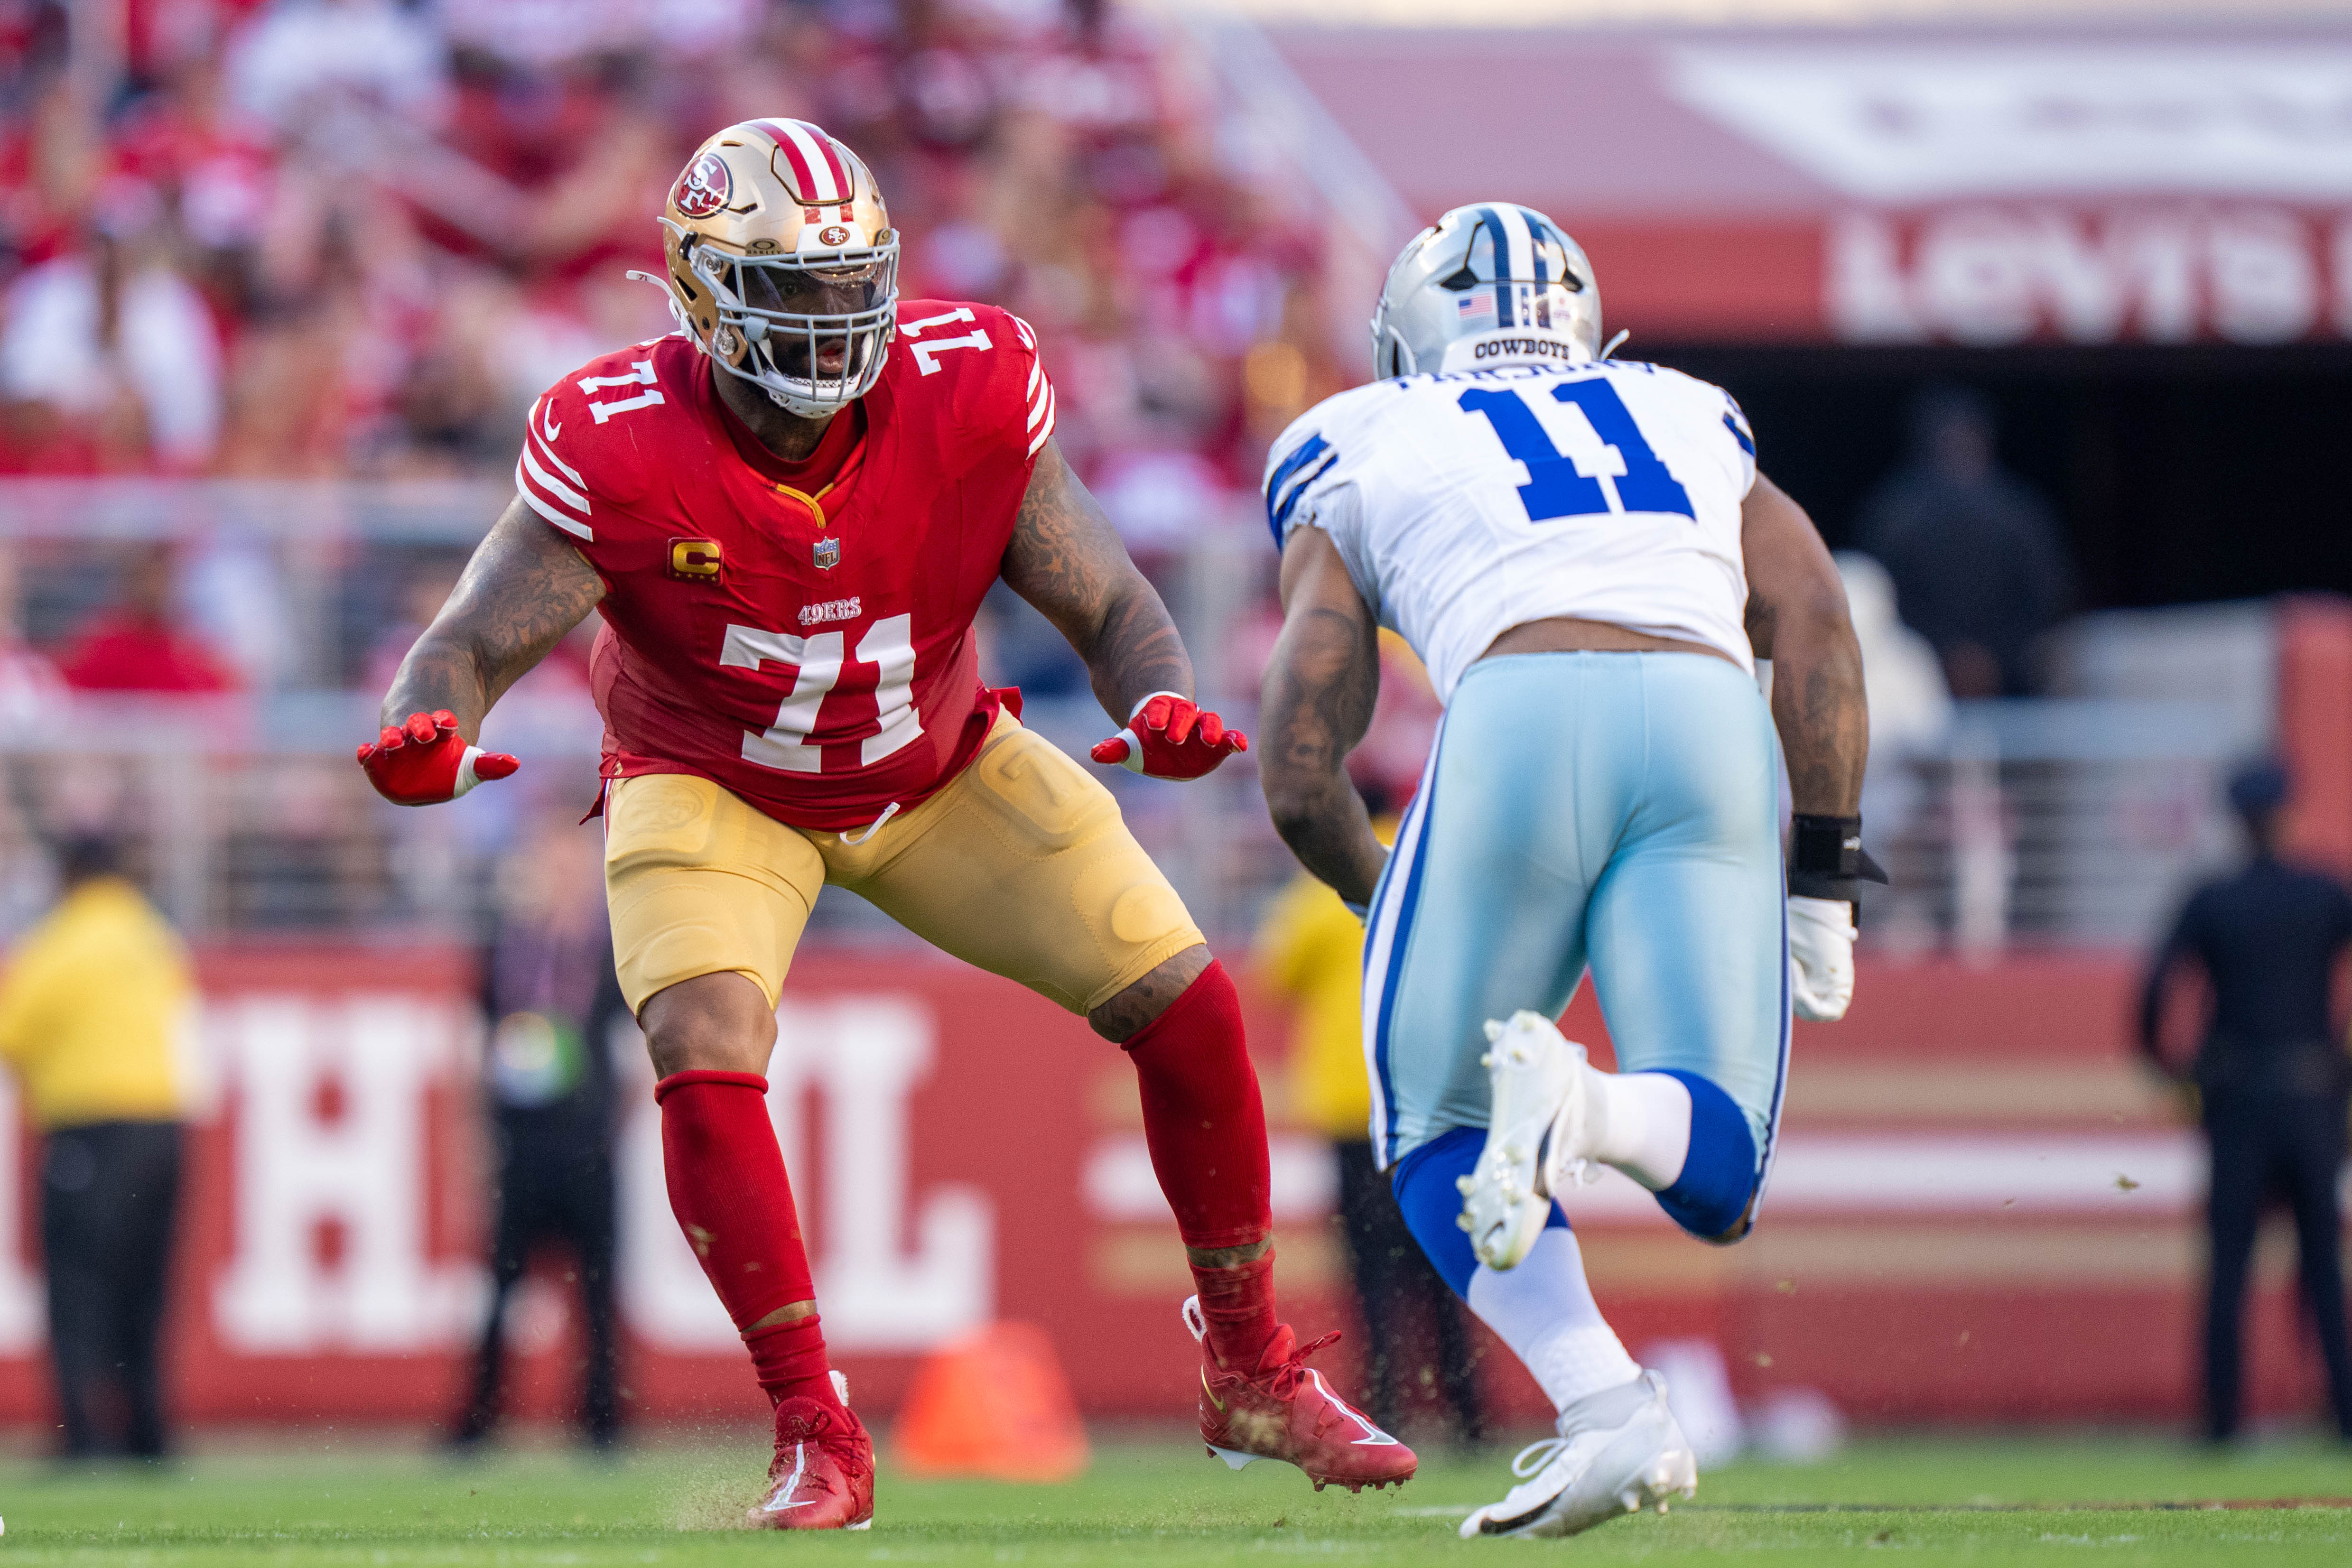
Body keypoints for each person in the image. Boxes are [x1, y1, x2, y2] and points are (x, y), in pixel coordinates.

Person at [356, 118, 1413, 1529]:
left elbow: (1104, 599)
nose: (829, 314)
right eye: (788, 287)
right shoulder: (617, 438)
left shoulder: (965, 382)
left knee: (1187, 999)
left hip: (936, 768)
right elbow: (470, 640)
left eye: (851, 278)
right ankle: (815, 1429)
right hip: (714, 779)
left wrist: (1156, 695)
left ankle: (1250, 1368)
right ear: (699, 292)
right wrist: (432, 725)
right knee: (698, 1035)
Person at [1257, 203, 1876, 1539]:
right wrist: (1823, 872)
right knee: (1720, 1169)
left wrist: (1390, 890)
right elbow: (1815, 624)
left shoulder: (1364, 433)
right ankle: (1592, 1137)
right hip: (1711, 726)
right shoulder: (1677, 408)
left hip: (1517, 710)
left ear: (1411, 338)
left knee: (1434, 1128)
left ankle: (1599, 1394)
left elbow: (1302, 751)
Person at [1256, 778, 1485, 1447]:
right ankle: (1473, 1420)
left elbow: (1277, 971)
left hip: (1354, 1116)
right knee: (1445, 1271)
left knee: (1373, 1277)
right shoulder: (1432, 881)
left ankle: (1388, 1408)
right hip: (1430, 1108)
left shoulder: (1322, 889)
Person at [2137, 760, 2352, 1445]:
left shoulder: (2212, 898)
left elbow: (2153, 995)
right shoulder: (2325, 892)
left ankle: (2223, 1421)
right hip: (2314, 1094)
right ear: (2287, 813)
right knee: (2321, 1262)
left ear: (2234, 821)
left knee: (2229, 1265)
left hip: (2237, 1101)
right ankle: (2343, 1413)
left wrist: (2175, 1073)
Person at [0, 836, 196, 1459]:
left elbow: (13, 1032)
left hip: (90, 1128)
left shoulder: (61, 942)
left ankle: (84, 1437)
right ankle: (148, 1434)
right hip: (164, 1127)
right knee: (144, 1288)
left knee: (79, 1286)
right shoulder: (152, 935)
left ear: (69, 876)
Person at [448, 814, 626, 1452]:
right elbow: (477, 1047)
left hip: (587, 1144)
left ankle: (604, 1421)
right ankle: (480, 1417)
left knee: (602, 1293)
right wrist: (473, 1144)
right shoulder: (505, 947)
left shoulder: (608, 949)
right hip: (520, 1143)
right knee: (500, 1290)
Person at [1853, 386, 2071, 698]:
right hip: (1912, 688)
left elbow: (2049, 597)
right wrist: (1942, 655)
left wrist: (1992, 658)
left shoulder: (2021, 515)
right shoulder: (1893, 515)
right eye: (1948, 439)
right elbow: (1872, 597)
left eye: (1967, 437)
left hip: (2013, 686)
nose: (1958, 449)